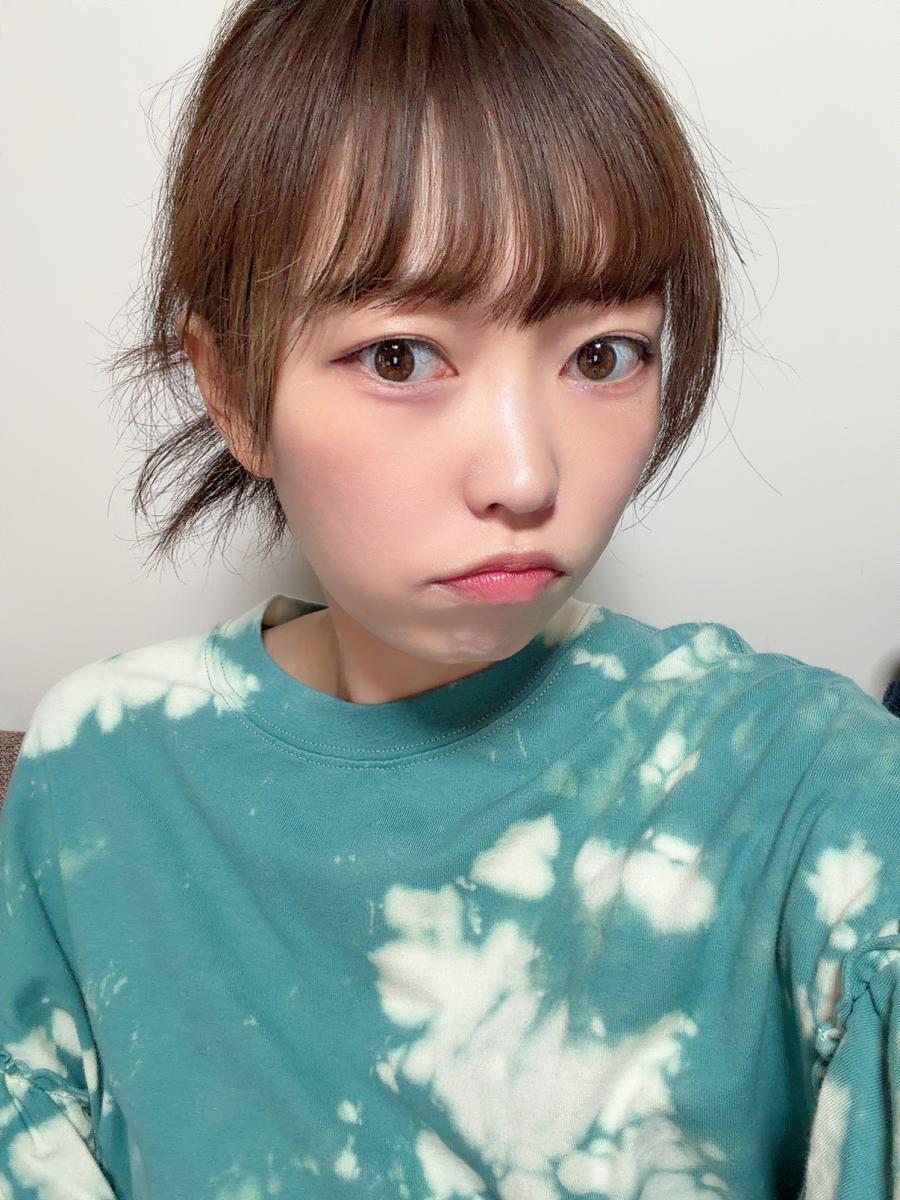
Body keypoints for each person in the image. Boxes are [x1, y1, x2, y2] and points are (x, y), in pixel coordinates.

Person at [1, 0, 897, 1196]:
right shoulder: (103, 776)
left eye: (602, 355)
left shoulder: (793, 779)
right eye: (401, 357)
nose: (526, 476)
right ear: (232, 392)